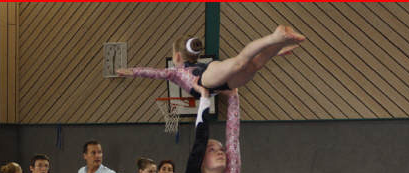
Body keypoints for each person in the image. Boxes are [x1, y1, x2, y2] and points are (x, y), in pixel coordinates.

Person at [117, 27, 305, 95]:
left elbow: (153, 73)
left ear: (177, 56)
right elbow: (153, 73)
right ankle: (280, 44)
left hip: (207, 79)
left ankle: (275, 36)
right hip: (222, 85)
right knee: (255, 65)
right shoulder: (185, 68)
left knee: (240, 63)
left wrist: (132, 71)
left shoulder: (174, 72)